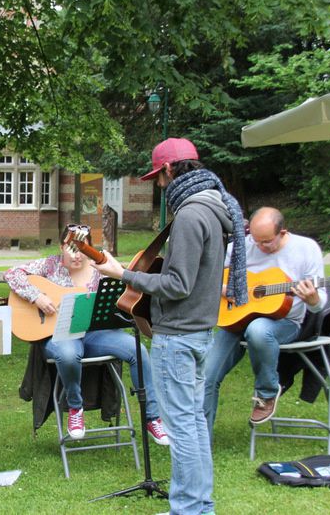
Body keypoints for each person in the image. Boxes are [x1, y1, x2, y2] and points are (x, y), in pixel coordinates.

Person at [93, 138, 247, 515]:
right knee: (192, 424)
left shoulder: (192, 214)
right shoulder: (213, 206)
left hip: (178, 337)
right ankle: (197, 505)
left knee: (183, 429)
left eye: (157, 179)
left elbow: (178, 285)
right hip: (196, 333)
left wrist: (122, 273)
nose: (158, 187)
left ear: (167, 169)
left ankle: (191, 509)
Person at [4, 225, 169, 445]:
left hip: (94, 335)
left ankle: (152, 417)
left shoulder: (99, 269)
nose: (77, 254)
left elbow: (125, 290)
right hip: (59, 336)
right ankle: (75, 408)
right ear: (62, 246)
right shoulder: (49, 265)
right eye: (71, 248)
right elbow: (11, 274)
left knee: (136, 349)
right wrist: (36, 297)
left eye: (82, 249)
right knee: (69, 354)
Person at [204, 207, 327, 432]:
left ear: (283, 233)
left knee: (259, 329)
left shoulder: (306, 249)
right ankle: (200, 441)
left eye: (266, 242)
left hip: (284, 322)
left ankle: (267, 392)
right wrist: (225, 289)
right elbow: (206, 278)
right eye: (256, 240)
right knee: (206, 375)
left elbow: (320, 305)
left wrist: (312, 299)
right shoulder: (242, 246)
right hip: (236, 319)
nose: (259, 247)